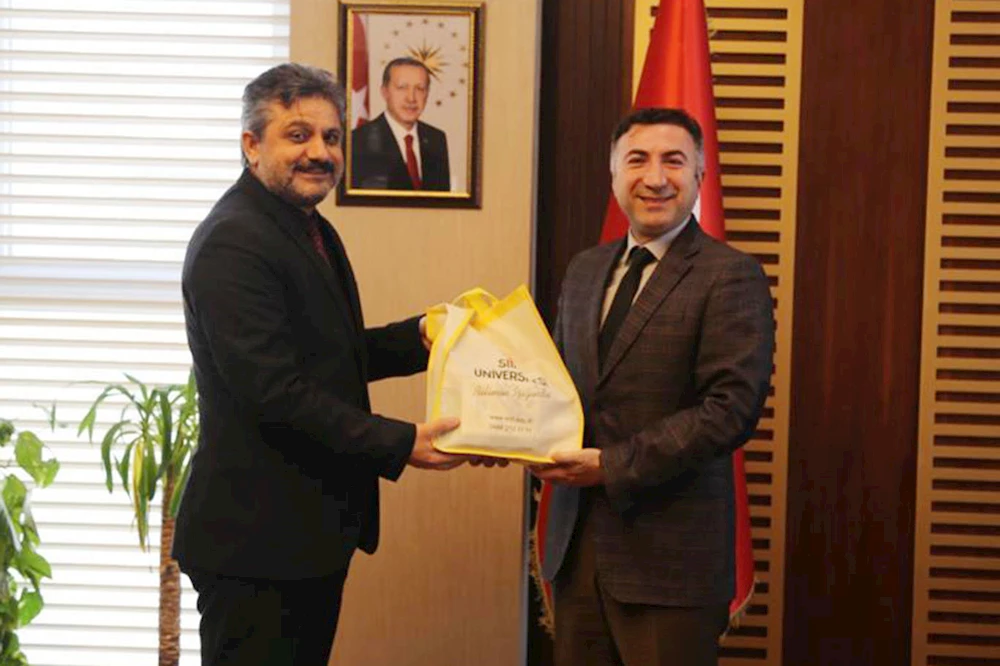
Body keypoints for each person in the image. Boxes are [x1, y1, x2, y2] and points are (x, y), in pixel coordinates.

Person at [172, 62, 464, 666]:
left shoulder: (305, 227)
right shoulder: (235, 241)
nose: (320, 153)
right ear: (252, 145)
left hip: (301, 537)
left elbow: (328, 355)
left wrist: (421, 337)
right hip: (255, 545)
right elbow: (274, 390)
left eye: (331, 137)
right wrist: (402, 441)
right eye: (298, 135)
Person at [531, 107, 775, 666]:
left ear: (700, 175)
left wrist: (610, 466)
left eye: (674, 161)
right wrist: (509, 433)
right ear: (614, 174)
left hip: (672, 562)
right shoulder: (585, 269)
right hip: (576, 552)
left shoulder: (730, 275)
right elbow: (554, 385)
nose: (656, 177)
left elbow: (730, 410)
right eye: (637, 160)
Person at [350, 57, 451, 191]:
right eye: (402, 88)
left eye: (420, 88)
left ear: (427, 94)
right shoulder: (357, 141)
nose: (411, 98)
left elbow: (442, 200)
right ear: (385, 92)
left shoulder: (436, 139)